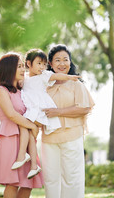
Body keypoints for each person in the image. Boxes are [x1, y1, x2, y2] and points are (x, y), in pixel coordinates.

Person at [11, 48, 81, 179]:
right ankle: (33, 166)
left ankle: (22, 155)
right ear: (28, 64)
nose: (42, 67)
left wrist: (70, 77)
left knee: (23, 125)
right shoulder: (24, 78)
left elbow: (57, 76)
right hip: (31, 109)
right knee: (31, 136)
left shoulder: (44, 76)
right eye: (39, 63)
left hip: (39, 110)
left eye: (44, 64)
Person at [0, 52, 43, 198]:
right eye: (19, 66)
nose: (23, 70)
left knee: (29, 183)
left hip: (26, 140)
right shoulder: (1, 90)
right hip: (10, 138)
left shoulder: (22, 92)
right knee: (13, 183)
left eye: (23, 66)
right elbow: (12, 114)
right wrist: (33, 127)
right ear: (9, 69)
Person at [41, 44, 95, 198]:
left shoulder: (76, 84)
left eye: (65, 59)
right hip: (48, 138)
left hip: (72, 136)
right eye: (57, 60)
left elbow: (84, 108)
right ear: (50, 64)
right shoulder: (44, 86)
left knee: (72, 178)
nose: (62, 63)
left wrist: (58, 112)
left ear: (70, 62)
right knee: (51, 179)